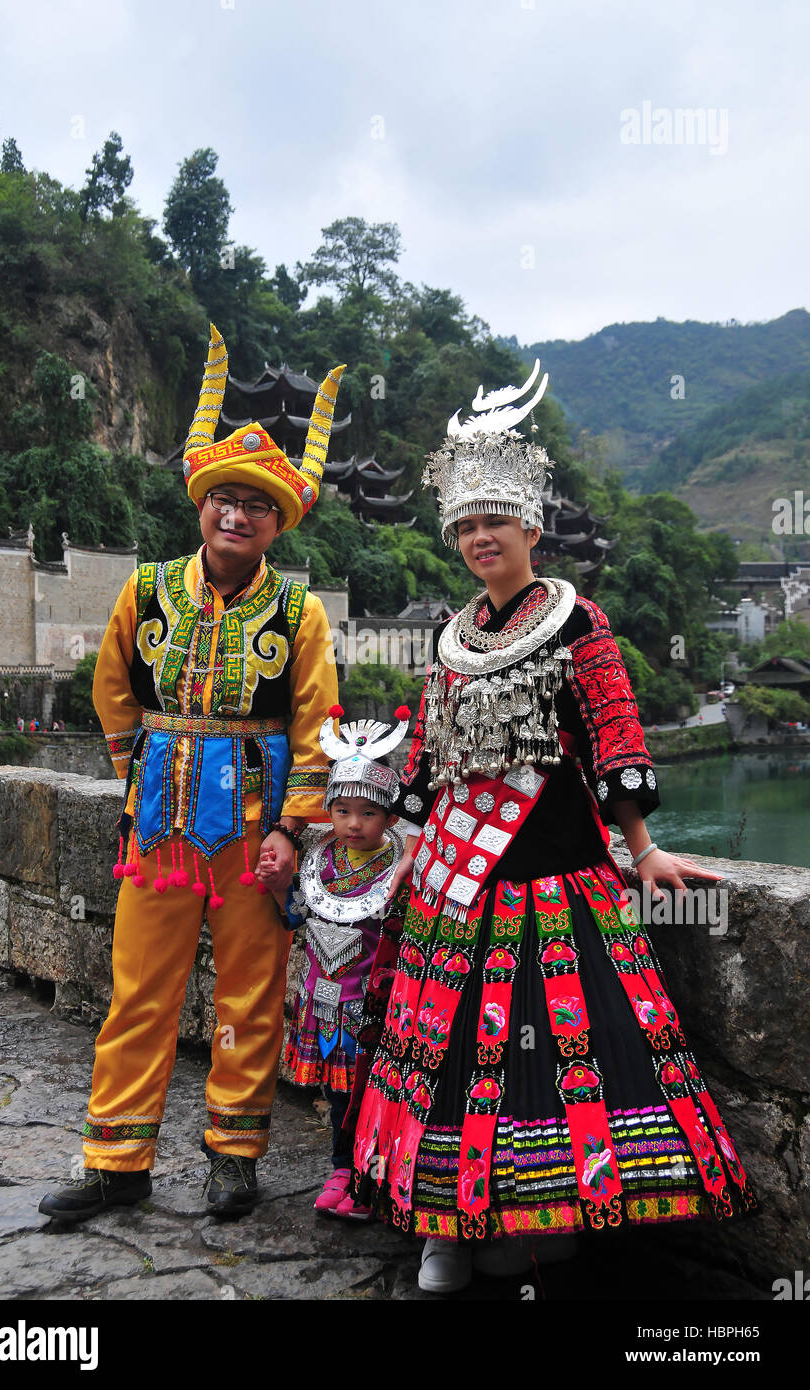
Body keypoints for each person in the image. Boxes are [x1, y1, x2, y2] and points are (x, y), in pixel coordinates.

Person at [350, 371, 757, 1294]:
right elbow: (424, 759)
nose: (478, 539)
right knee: (452, 1051)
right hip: (459, 879)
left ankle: (543, 1224)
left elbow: (615, 737)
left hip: (556, 868)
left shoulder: (579, 624)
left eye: (493, 521)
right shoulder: (450, 638)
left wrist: (642, 846)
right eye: (463, 526)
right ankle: (445, 1225)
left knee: (555, 1050)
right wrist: (398, 841)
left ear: (530, 529)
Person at [39, 324, 345, 1223]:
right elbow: (110, 689)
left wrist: (293, 825)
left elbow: (315, 720)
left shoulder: (299, 611)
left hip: (255, 832)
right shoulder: (146, 592)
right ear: (201, 506)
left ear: (275, 521)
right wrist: (142, 772)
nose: (237, 516)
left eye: (256, 505)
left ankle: (233, 1154)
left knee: (250, 994)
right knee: (139, 987)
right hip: (161, 830)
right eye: (225, 500)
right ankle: (117, 1157)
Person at [265, 704, 413, 1219]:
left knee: (372, 1088)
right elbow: (296, 919)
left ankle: (374, 1171)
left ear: (390, 818)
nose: (354, 823)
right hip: (322, 1003)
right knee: (337, 1092)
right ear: (328, 811)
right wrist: (281, 888)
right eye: (343, 811)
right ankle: (340, 1167)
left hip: (371, 1007)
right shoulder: (317, 861)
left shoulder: (400, 868)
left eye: (368, 813)